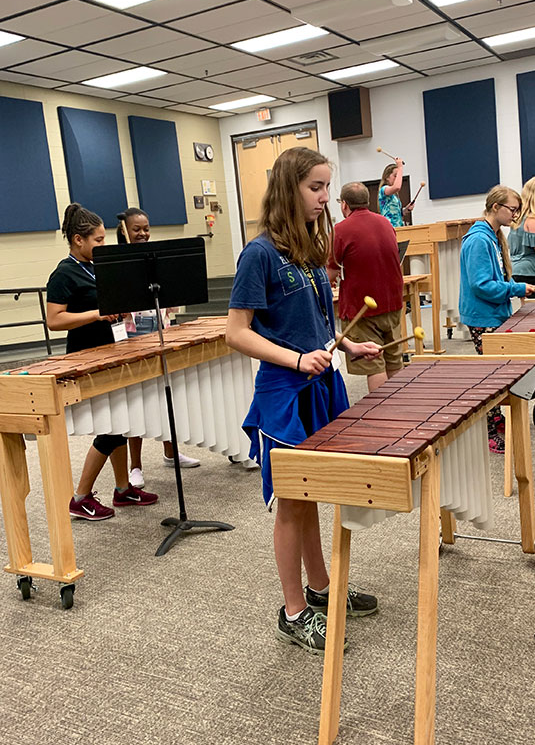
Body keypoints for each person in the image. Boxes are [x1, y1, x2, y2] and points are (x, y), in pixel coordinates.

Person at [226, 147, 380, 655]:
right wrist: (295, 361)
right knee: (292, 505)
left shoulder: (310, 249)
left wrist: (346, 344)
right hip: (284, 394)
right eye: (315, 187)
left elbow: (315, 325)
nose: (324, 198)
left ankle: (322, 588)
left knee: (314, 495)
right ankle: (293, 612)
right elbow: (236, 333)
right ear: (289, 187)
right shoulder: (260, 253)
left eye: (326, 188)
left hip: (321, 386)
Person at [46, 203, 158, 520]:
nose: (103, 245)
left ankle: (123, 489)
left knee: (120, 423)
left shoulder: (95, 267)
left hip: (111, 350)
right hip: (86, 355)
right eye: (97, 240)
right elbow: (54, 320)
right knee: (111, 429)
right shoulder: (64, 273)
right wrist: (96, 314)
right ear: (78, 240)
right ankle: (80, 497)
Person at [116, 207, 200, 489]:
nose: (142, 233)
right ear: (125, 230)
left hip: (161, 330)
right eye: (137, 229)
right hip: (131, 337)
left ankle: (171, 452)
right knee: (136, 403)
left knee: (167, 397)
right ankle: (135, 465)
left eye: (146, 228)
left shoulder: (157, 258)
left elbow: (171, 295)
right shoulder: (116, 262)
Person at [459, 186, 535, 454]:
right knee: (493, 378)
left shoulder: (493, 236)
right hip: (483, 316)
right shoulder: (479, 240)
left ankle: (499, 422)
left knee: (500, 374)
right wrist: (515, 289)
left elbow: (500, 277)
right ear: (495, 207)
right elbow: (481, 285)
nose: (515, 215)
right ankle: (491, 431)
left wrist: (517, 285)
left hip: (495, 313)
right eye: (512, 209)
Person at [327, 181, 405, 392]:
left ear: (344, 205)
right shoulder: (386, 222)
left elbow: (329, 273)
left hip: (363, 308)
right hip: (393, 303)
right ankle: (399, 410)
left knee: (373, 362)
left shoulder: (340, 230)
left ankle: (382, 417)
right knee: (393, 360)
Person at [378, 158, 414, 227]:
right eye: (395, 176)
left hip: (398, 227)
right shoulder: (384, 189)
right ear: (387, 177)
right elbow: (397, 187)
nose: (397, 178)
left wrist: (406, 210)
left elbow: (396, 214)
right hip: (389, 228)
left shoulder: (394, 195)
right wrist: (400, 167)